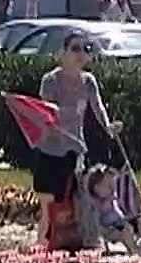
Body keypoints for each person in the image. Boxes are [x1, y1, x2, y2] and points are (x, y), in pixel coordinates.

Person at [33, 31, 122, 246]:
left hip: (76, 152)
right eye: (75, 48)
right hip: (51, 151)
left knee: (76, 202)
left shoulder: (88, 81)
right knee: (49, 205)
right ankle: (41, 246)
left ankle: (74, 244)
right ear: (63, 53)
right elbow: (45, 117)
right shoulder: (50, 81)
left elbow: (98, 108)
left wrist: (108, 127)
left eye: (85, 49)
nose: (81, 53)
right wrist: (64, 135)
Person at [82, 164, 141, 254]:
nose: (112, 189)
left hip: (121, 221)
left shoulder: (112, 196)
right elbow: (97, 221)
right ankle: (133, 248)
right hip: (110, 228)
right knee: (127, 230)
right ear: (96, 188)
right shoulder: (96, 202)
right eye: (108, 186)